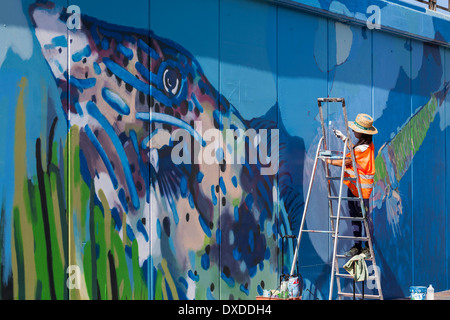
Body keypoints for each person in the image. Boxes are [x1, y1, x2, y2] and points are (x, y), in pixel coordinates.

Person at [325, 113, 377, 257]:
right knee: (355, 217)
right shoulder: (365, 145)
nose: (353, 131)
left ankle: (367, 248)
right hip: (354, 187)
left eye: (355, 130)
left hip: (361, 190)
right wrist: (344, 139)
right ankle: (357, 246)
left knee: (363, 218)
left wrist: (328, 161)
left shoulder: (363, 149)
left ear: (362, 132)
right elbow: (354, 151)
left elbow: (347, 161)